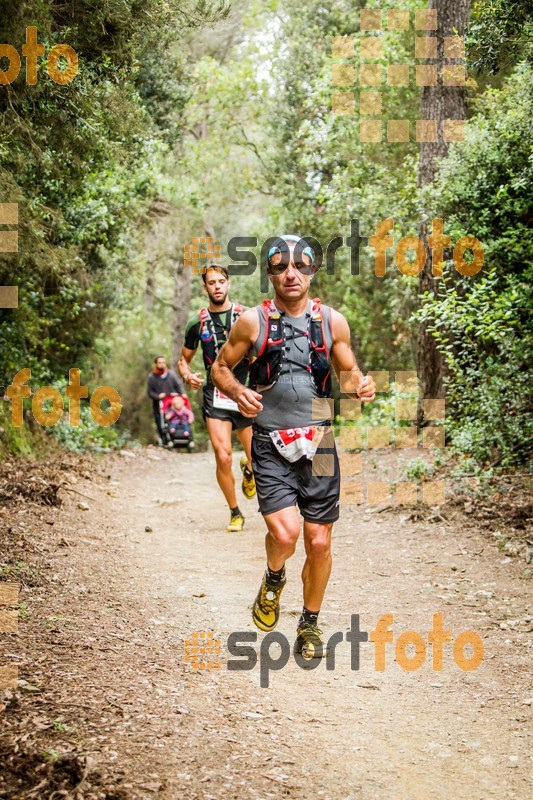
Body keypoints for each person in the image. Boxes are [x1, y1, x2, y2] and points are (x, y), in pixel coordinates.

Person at [211, 235, 376, 657]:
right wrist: (237, 391)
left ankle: (309, 624)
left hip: (318, 442)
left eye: (300, 266)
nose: (291, 274)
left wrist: (360, 385)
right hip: (269, 442)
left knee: (319, 542)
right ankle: (273, 575)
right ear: (269, 273)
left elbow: (348, 371)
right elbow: (220, 367)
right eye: (281, 267)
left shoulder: (331, 321)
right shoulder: (252, 321)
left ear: (312, 271)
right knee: (285, 536)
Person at [178, 265, 256, 533]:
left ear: (229, 284)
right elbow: (183, 361)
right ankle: (235, 512)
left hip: (245, 391)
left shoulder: (246, 316)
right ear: (205, 288)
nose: (217, 287)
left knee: (256, 455)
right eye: (212, 283)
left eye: (221, 281)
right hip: (215, 395)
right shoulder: (197, 323)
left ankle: (250, 469)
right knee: (222, 456)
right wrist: (188, 376)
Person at [147, 356, 184, 444]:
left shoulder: (171, 374)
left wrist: (182, 395)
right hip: (158, 405)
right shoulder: (152, 377)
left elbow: (178, 386)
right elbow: (150, 392)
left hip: (171, 404)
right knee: (160, 422)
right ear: (156, 364)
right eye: (159, 363)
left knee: (174, 419)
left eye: (163, 362)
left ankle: (176, 438)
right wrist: (158, 396)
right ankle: (164, 441)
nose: (162, 364)